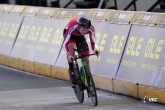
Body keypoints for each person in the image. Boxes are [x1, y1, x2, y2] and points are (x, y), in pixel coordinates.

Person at [62, 16, 99, 84]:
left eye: (86, 29)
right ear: (78, 27)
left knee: (86, 57)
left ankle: (88, 79)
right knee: (71, 46)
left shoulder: (91, 28)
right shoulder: (72, 26)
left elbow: (93, 40)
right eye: (83, 29)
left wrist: (95, 48)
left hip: (79, 36)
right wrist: (68, 54)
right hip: (70, 34)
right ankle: (71, 69)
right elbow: (64, 43)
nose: (85, 31)